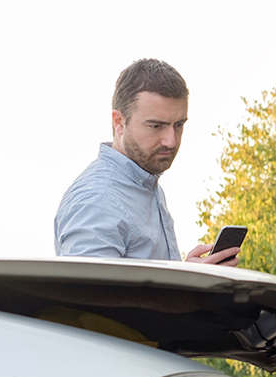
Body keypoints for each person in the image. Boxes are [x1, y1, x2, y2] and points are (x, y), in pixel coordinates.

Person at [55, 58, 239, 266]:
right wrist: (186, 288)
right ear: (119, 122)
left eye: (178, 125)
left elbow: (146, 290)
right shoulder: (98, 199)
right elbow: (90, 296)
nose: (171, 141)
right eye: (156, 126)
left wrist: (189, 274)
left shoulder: (145, 184)